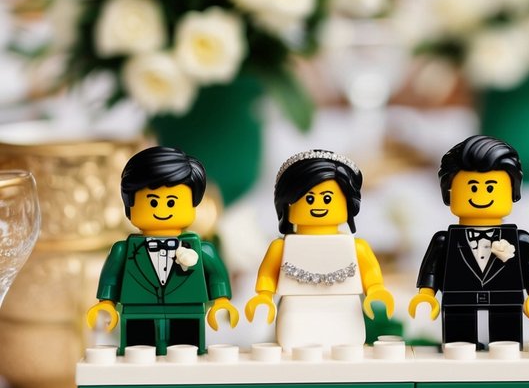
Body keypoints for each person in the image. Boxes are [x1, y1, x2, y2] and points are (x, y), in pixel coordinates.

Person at [87, 145, 238, 354]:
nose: (161, 209)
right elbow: (111, 276)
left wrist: (221, 300)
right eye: (153, 201)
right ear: (130, 206)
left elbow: (216, 274)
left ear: (193, 205)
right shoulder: (123, 250)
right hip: (138, 314)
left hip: (187, 312)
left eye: (172, 202)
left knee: (188, 353)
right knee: (137, 354)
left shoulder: (201, 249)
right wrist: (106, 303)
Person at [408, 135, 529, 348]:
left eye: (491, 188)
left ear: (512, 191)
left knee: (507, 344)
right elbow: (432, 268)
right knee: (458, 344)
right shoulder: (444, 240)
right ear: (449, 192)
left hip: (506, 299)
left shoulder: (519, 239)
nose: (481, 195)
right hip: (459, 299)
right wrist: (427, 294)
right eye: (473, 187)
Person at [245, 150, 394, 352]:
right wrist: (264, 296)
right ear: (288, 203)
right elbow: (267, 275)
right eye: (308, 199)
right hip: (296, 311)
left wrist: (375, 290)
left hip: (345, 310)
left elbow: (371, 272)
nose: (317, 206)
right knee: (296, 349)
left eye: (327, 198)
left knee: (347, 348)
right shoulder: (281, 247)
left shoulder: (355, 246)